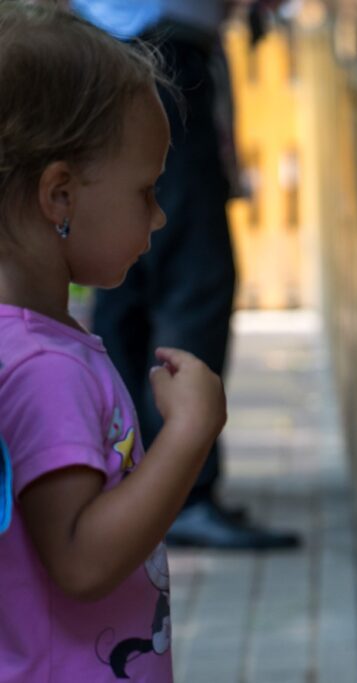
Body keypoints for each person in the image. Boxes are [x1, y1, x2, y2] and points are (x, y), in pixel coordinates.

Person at [0, 3, 224, 679]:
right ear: (59, 197)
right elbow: (81, 558)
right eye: (145, 190)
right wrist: (188, 432)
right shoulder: (42, 366)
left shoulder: (40, 342)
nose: (158, 216)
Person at [71, 0, 299, 549]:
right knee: (191, 276)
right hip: (157, 46)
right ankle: (180, 494)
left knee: (127, 279)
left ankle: (127, 477)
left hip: (102, 42)